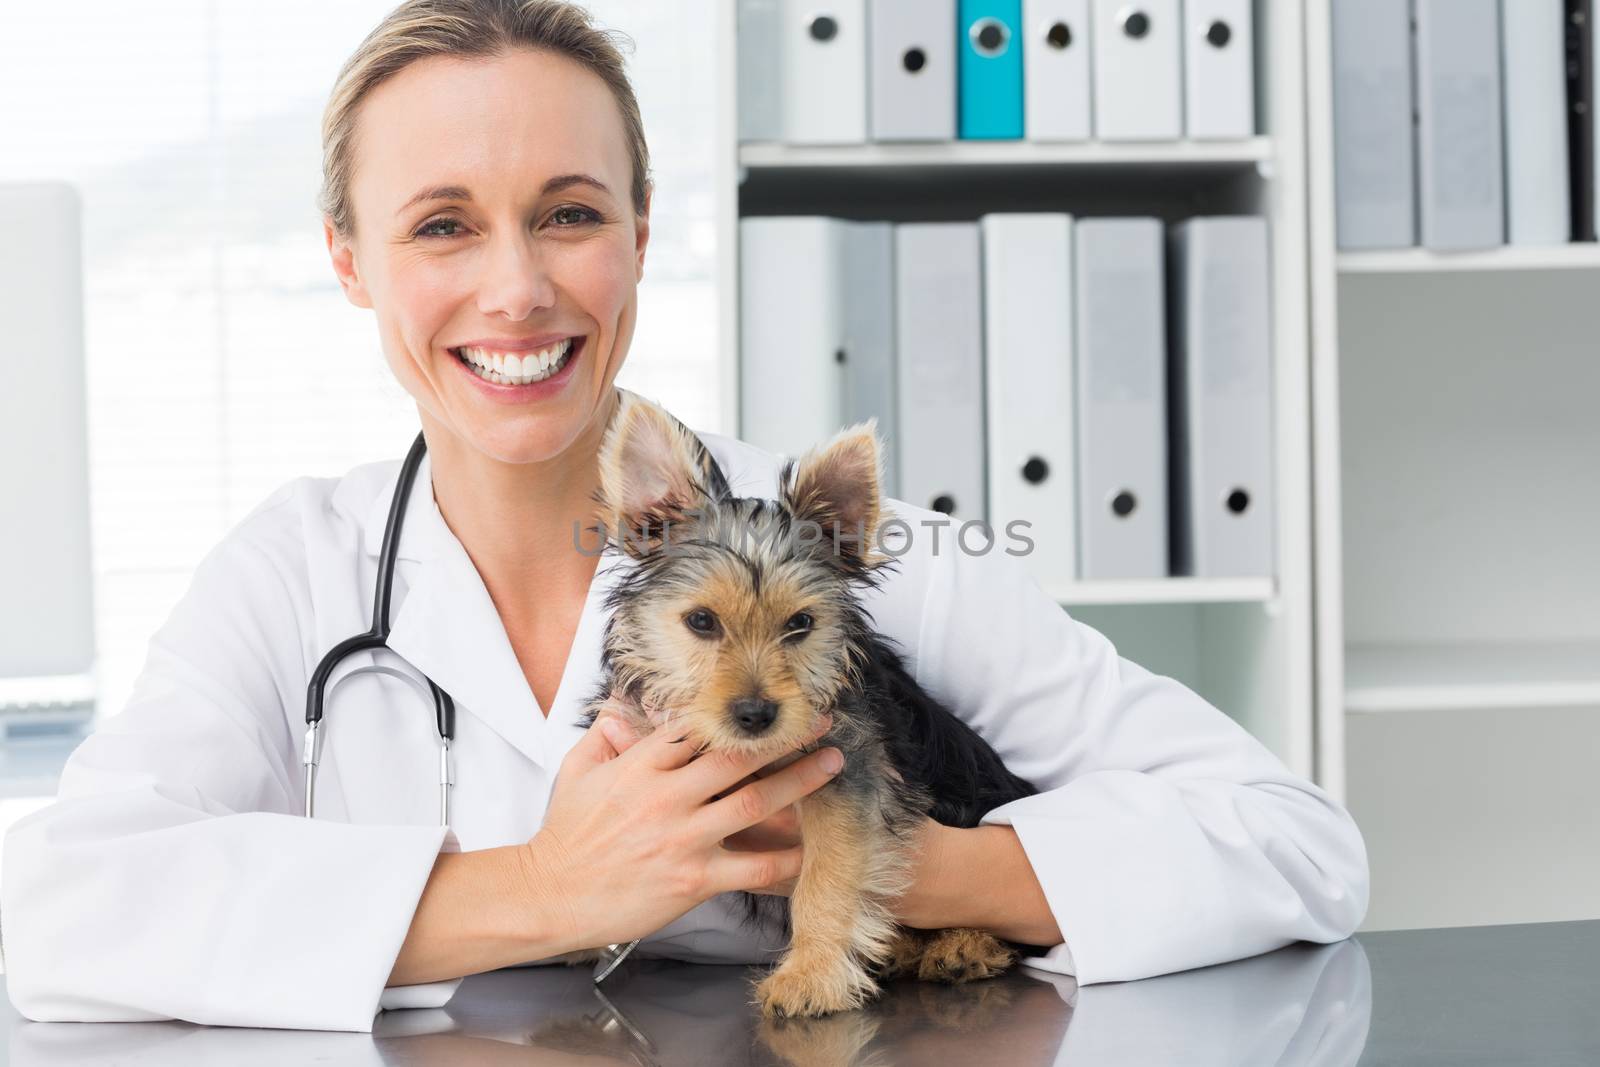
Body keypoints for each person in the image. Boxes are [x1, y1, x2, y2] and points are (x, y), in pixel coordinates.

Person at [0, 0, 1369, 1033]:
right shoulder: (295, 572)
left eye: (570, 213)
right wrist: (543, 889)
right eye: (440, 226)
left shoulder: (854, 558)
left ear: (642, 235)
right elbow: (55, 912)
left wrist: (915, 869)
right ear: (348, 262)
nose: (519, 288)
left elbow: (1296, 845)